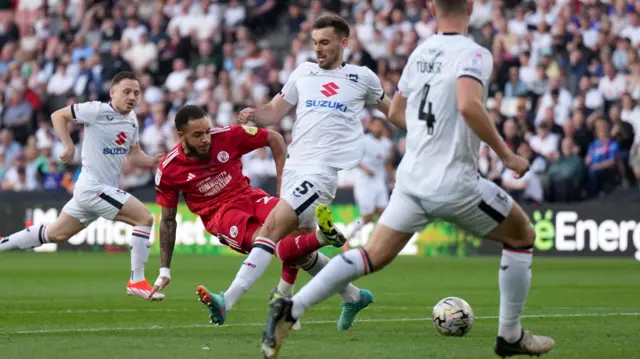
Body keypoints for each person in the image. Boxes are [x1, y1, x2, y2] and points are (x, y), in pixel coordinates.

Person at [260, 1, 555, 358]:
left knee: (371, 256)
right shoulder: (474, 54)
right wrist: (506, 154)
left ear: (431, 7)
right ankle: (510, 335)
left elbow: (398, 111)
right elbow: (467, 104)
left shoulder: (421, 53)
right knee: (521, 236)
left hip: (412, 180)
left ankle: (291, 308)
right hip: (454, 180)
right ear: (471, 7)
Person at [202, 14, 402, 327]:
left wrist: (422, 130)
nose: (318, 49)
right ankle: (353, 296)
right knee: (295, 252)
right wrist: (255, 114)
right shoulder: (303, 72)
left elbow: (393, 113)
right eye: (314, 43)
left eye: (325, 42)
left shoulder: (362, 78)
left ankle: (228, 300)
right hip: (295, 166)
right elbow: (274, 111)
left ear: (343, 42)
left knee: (270, 229)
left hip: (321, 174)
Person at [149, 105, 369, 330]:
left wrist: (284, 187)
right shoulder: (169, 169)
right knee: (277, 243)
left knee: (297, 241)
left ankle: (352, 295)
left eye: (207, 131)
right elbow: (167, 220)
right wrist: (164, 269)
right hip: (221, 215)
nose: (206, 138)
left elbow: (274, 138)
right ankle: (320, 244)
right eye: (197, 135)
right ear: (181, 136)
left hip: (250, 197)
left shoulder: (226, 136)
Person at [0, 72, 166, 301]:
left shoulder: (132, 120)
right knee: (145, 218)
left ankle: (3, 243)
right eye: (126, 91)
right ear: (113, 92)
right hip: (93, 187)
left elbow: (135, 154)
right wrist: (68, 145)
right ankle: (136, 281)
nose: (132, 97)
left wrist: (152, 162)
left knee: (56, 233)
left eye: (136, 93)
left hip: (96, 190)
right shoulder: (96, 110)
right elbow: (58, 115)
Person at [348, 116, 393, 240]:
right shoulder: (363, 141)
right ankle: (347, 236)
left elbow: (387, 164)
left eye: (380, 125)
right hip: (365, 183)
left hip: (379, 182)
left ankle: (378, 243)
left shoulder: (387, 144)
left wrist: (394, 177)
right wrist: (365, 169)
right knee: (367, 218)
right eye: (376, 125)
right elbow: (353, 159)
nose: (378, 128)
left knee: (383, 215)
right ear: (370, 126)